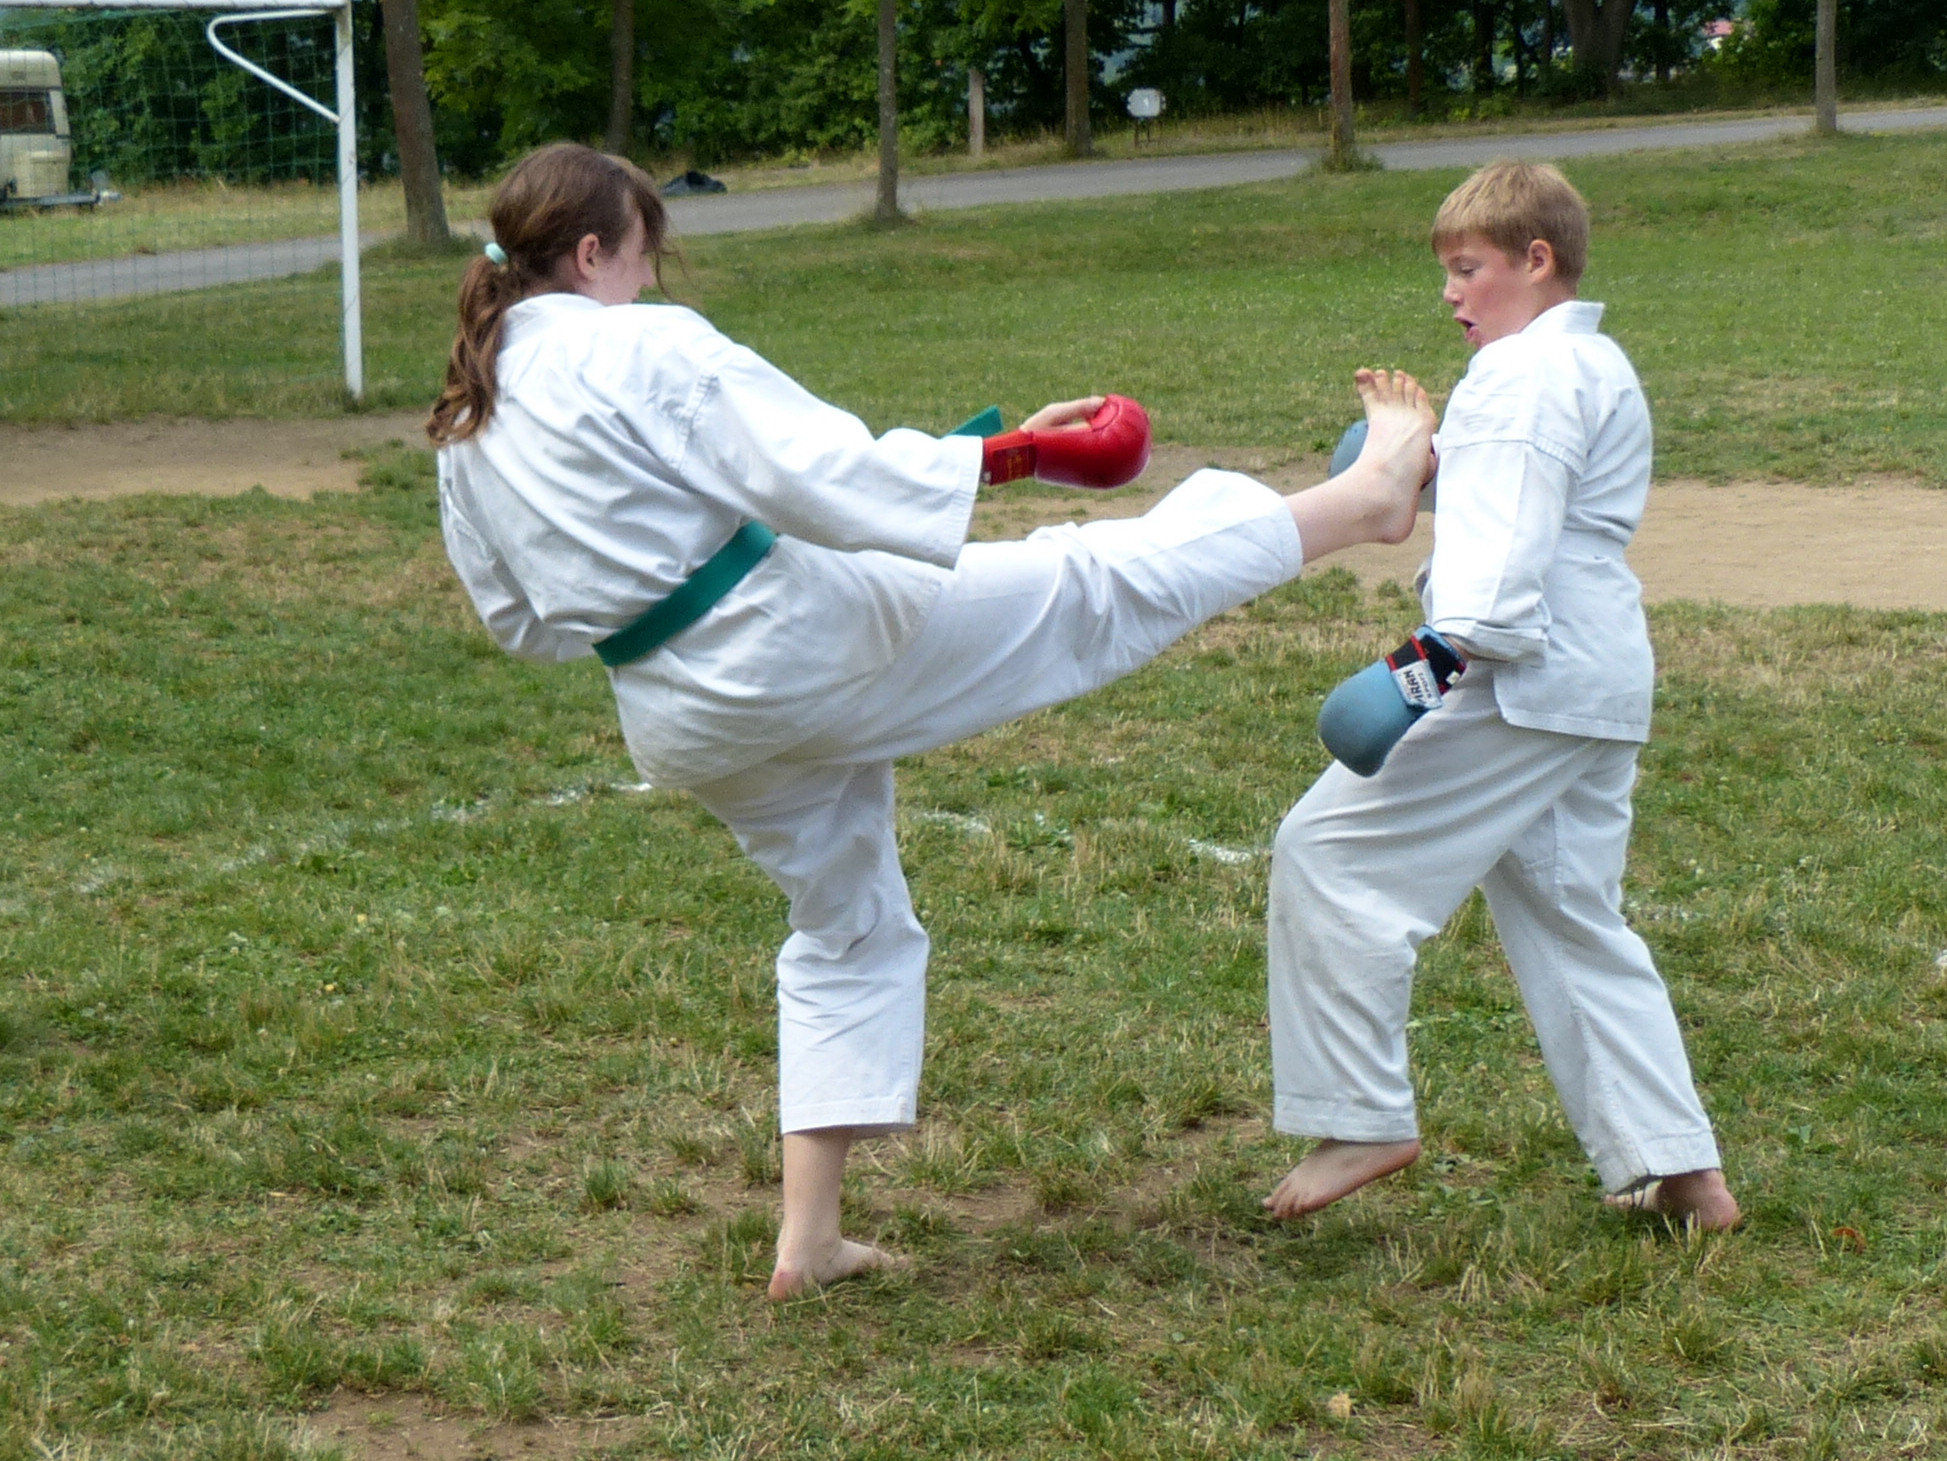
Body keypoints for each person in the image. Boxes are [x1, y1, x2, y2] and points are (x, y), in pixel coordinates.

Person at [427, 141, 1437, 1299]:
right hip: (793, 645)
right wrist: (1016, 454)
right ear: (593, 252)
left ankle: (810, 1243)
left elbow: (522, 623)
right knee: (1086, 586)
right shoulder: (638, 346)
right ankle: (1365, 499)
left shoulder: (471, 415)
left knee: (846, 924)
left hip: (678, 711)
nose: (651, 281)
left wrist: (666, 586)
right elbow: (822, 471)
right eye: (645, 256)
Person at [1261, 161, 1739, 1231]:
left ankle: (1361, 1115)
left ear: (1536, 259)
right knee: (1572, 920)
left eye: (1467, 268)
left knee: (1328, 852)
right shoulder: (1590, 364)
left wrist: (1426, 663)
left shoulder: (1521, 375)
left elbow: (1511, 538)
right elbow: (1525, 500)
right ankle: (1684, 1174)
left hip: (1518, 672)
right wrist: (1428, 465)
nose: (1450, 294)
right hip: (1591, 678)